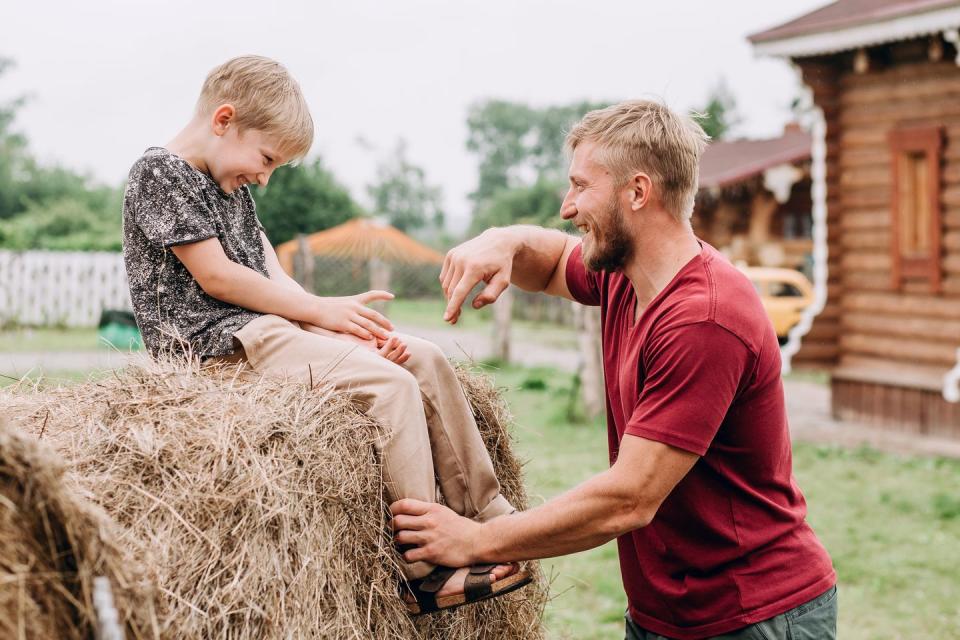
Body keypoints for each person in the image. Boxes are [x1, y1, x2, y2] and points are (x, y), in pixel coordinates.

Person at [391, 99, 837, 638]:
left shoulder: (704, 319)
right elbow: (554, 259)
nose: (567, 207)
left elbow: (629, 497)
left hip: (753, 614)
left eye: (581, 186)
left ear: (638, 192)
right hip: (664, 614)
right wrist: (502, 239)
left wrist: (474, 539)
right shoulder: (626, 275)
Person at [121, 55, 530, 614]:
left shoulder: (231, 188)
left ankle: (491, 520)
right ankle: (422, 572)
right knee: (390, 388)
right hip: (213, 345)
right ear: (223, 120)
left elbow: (269, 272)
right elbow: (217, 275)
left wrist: (322, 319)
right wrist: (317, 311)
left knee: (423, 357)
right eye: (266, 160)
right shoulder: (160, 173)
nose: (264, 177)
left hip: (265, 333)